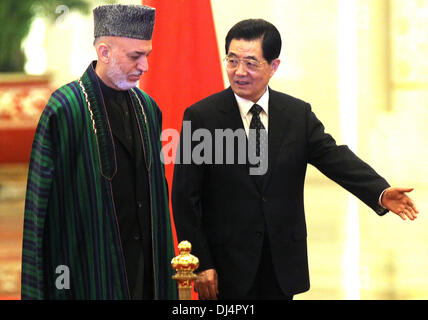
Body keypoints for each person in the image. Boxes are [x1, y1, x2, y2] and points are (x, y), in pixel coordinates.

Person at [171, 19, 419, 300]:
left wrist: (380, 191)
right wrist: (202, 263)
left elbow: (335, 157)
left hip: (280, 264)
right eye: (232, 60)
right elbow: (184, 197)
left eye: (251, 63)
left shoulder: (296, 115)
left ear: (273, 66)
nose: (239, 72)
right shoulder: (202, 117)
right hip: (227, 267)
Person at [21, 4, 177, 300]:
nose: (144, 66)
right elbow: (40, 208)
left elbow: (157, 195)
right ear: (104, 52)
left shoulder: (148, 108)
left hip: (145, 271)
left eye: (147, 55)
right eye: (135, 56)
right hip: (85, 271)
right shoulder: (66, 108)